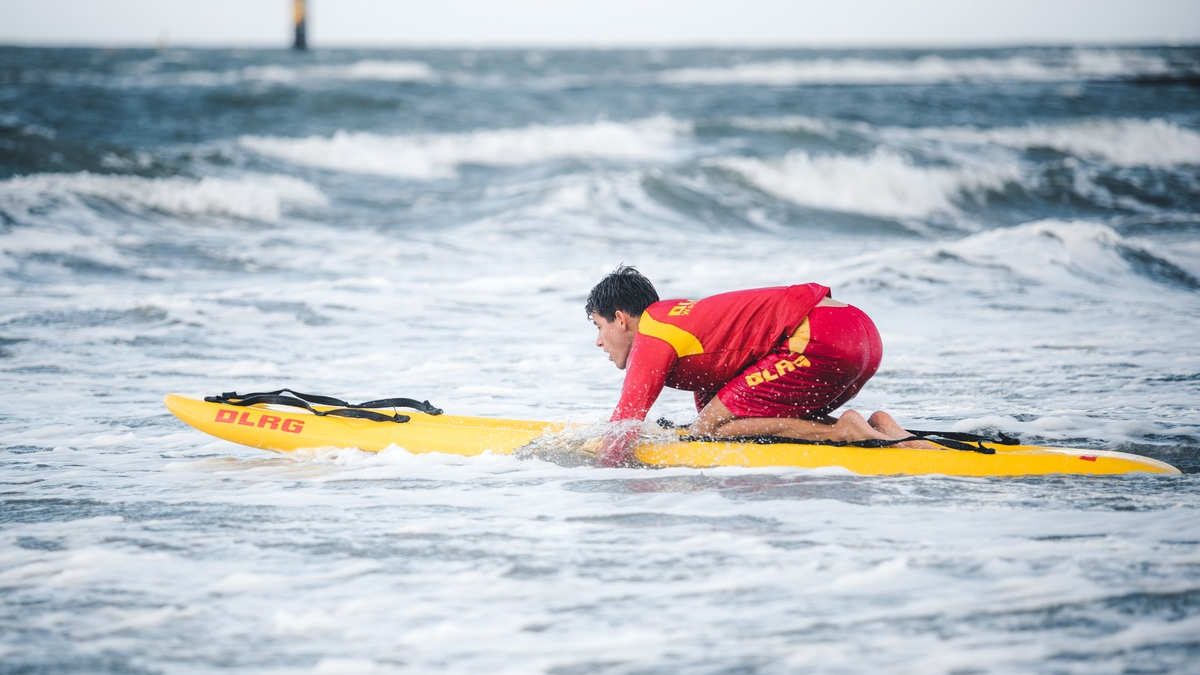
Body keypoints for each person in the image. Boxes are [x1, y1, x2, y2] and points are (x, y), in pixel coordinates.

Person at [585, 265, 926, 467]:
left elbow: (624, 424)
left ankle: (844, 432)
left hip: (819, 335)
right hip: (859, 333)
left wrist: (587, 465)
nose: (599, 342)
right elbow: (728, 399)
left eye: (598, 327)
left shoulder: (652, 332)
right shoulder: (683, 322)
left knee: (709, 428)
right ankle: (882, 430)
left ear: (621, 319)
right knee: (720, 425)